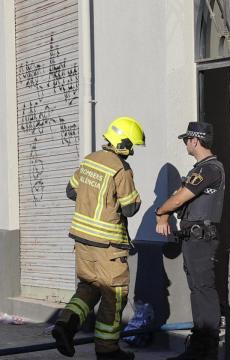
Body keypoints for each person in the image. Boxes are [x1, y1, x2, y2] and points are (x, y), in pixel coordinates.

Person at [52, 117, 145, 360]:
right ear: (123, 143)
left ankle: (65, 326)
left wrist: (91, 200)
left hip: (82, 240)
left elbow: (71, 190)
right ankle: (108, 350)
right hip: (108, 246)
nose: (132, 151)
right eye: (131, 145)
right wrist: (135, 198)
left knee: (89, 287)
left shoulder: (89, 160)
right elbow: (129, 208)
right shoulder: (120, 169)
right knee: (114, 295)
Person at [155, 121, 225, 360]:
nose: (186, 143)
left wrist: (161, 214)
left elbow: (179, 198)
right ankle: (199, 350)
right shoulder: (202, 169)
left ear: (195, 141)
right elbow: (180, 196)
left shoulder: (209, 169)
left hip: (201, 240)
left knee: (203, 292)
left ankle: (205, 352)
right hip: (195, 239)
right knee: (198, 292)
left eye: (187, 139)